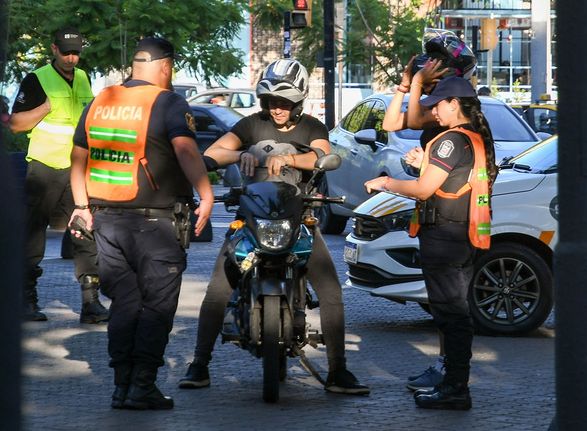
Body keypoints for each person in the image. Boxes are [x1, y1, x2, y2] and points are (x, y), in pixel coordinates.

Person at [178, 59, 369, 396]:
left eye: (285, 102)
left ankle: (338, 371)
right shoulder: (252, 124)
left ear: (299, 102)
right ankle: (199, 365)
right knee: (219, 288)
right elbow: (215, 151)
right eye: (271, 102)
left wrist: (292, 159)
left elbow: (321, 156)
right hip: (251, 220)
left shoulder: (312, 127)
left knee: (330, 290)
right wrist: (240, 155)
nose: (277, 109)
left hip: (298, 219)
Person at [68, 36, 213, 410]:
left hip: (107, 222)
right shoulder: (167, 102)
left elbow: (78, 157)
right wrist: (206, 194)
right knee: (157, 307)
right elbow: (186, 150)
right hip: (156, 225)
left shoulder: (101, 101)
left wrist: (82, 206)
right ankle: (142, 385)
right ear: (166, 66)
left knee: (124, 304)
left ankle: (121, 386)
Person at [365, 76, 497, 410]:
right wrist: (422, 164)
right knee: (457, 313)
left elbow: (424, 190)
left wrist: (387, 182)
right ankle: (455, 384)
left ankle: (455, 388)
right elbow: (451, 181)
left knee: (451, 315)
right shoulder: (473, 137)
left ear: (454, 104)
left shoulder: (450, 140)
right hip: (463, 235)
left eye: (437, 105)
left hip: (444, 237)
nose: (433, 112)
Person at [381, 29, 477, 392]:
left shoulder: (453, 115)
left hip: (451, 220)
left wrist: (419, 82)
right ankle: (447, 371)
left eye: (436, 62)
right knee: (446, 306)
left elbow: (407, 125)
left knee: (451, 307)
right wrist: (406, 85)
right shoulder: (442, 110)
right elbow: (391, 123)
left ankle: (451, 377)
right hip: (440, 215)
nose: (428, 66)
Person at [9, 27, 109, 323]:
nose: (71, 58)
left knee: (84, 230)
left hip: (77, 169)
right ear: (53, 49)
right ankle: (26, 300)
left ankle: (91, 303)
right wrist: (45, 107)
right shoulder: (37, 78)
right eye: (66, 52)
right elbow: (15, 125)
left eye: (76, 52)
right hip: (45, 168)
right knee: (33, 233)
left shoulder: (83, 77)